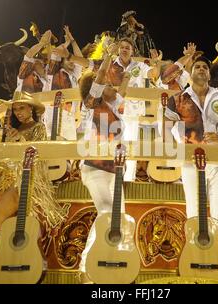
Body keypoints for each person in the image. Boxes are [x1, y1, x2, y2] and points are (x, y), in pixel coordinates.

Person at [0, 92, 69, 282]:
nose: (18, 113)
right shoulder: (14, 132)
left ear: (31, 109)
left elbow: (36, 153)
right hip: (6, 182)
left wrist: (19, 139)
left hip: (25, 183)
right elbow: (6, 162)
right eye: (15, 109)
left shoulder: (39, 128)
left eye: (22, 108)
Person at [164, 56, 218, 262]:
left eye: (205, 67)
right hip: (190, 161)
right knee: (193, 211)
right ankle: (195, 259)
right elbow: (165, 128)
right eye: (197, 66)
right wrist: (176, 150)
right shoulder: (177, 99)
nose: (201, 69)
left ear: (209, 73)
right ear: (190, 72)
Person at [54, 36, 159, 181]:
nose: (124, 50)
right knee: (106, 148)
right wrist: (69, 56)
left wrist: (156, 65)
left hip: (131, 114)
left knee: (128, 149)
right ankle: (103, 178)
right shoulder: (109, 63)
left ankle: (126, 181)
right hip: (108, 112)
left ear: (132, 51)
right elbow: (88, 63)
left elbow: (152, 74)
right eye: (121, 47)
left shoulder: (139, 66)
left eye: (127, 48)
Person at [76, 48, 131, 283]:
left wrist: (126, 78)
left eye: (111, 85)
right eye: (108, 84)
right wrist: (107, 59)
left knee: (118, 216)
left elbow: (122, 94)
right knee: (108, 213)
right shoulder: (92, 104)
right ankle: (86, 269)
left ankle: (109, 266)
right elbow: (98, 83)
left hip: (114, 169)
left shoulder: (113, 107)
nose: (112, 87)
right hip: (95, 166)